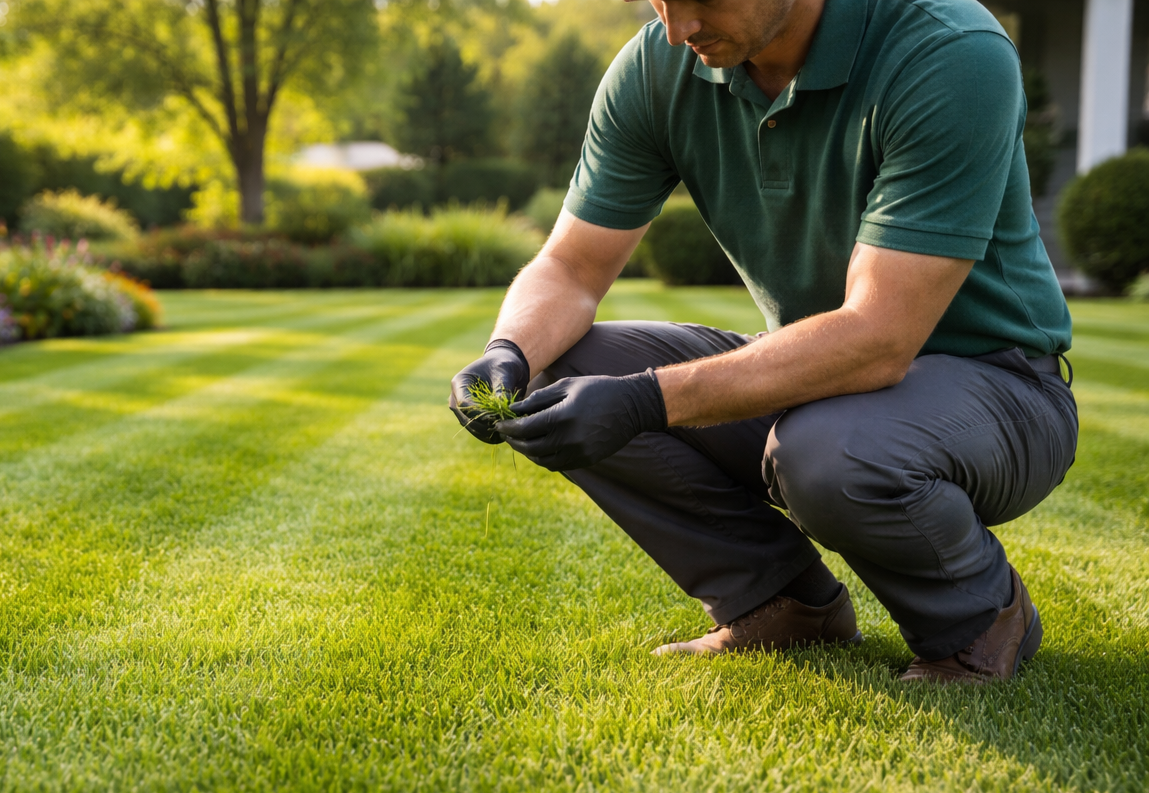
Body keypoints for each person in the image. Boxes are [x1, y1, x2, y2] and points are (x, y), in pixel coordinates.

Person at [449, 0, 1077, 682]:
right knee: (555, 368)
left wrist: (644, 401)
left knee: (828, 450)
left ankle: (980, 619)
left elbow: (877, 337)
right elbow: (571, 266)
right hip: (818, 384)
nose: (678, 28)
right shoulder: (660, 65)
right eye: (661, 0)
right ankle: (782, 604)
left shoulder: (948, 50)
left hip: (1001, 389)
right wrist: (508, 351)